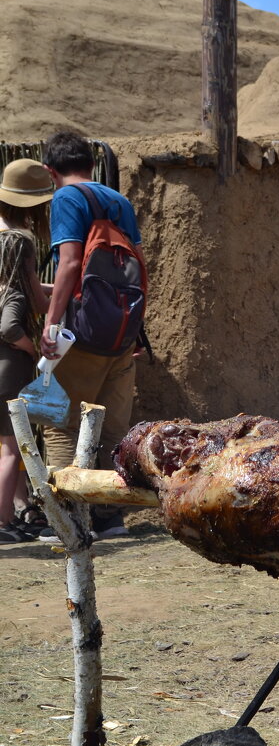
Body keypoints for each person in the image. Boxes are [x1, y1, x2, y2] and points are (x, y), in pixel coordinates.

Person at [36, 130, 144, 543]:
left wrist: (52, 320)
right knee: (112, 430)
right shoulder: (120, 202)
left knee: (62, 424)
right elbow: (136, 268)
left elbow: (70, 264)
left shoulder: (66, 198)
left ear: (50, 171)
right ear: (91, 163)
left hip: (81, 333)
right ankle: (111, 519)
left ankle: (67, 522)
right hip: (120, 333)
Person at [0, 159, 53, 543]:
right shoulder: (19, 242)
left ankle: (15, 513)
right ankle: (3, 524)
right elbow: (19, 314)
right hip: (9, 369)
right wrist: (30, 343)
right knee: (11, 448)